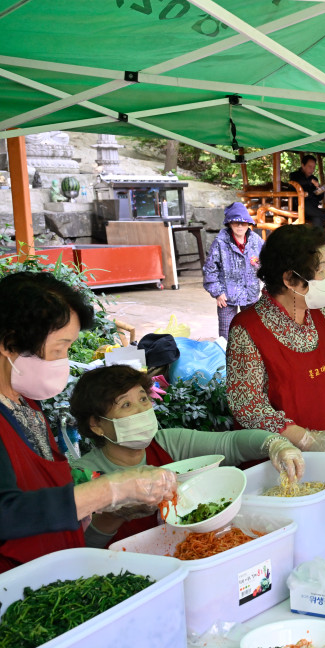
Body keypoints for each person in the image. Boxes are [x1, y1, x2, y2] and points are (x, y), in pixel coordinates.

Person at [0, 272, 177, 572]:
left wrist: (108, 508)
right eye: (59, 349)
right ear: (10, 343)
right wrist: (112, 489)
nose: (64, 360)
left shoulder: (25, 402)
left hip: (57, 571)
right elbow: (8, 514)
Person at [69, 365, 304, 546]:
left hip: (187, 554)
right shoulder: (81, 475)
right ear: (96, 425)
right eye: (126, 405)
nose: (142, 409)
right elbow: (78, 549)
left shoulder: (167, 442)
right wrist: (113, 516)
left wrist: (275, 444)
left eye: (142, 399)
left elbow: (231, 443)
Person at [226, 224, 325, 450]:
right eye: (321, 270)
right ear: (290, 279)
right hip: (279, 459)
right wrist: (308, 440)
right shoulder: (247, 329)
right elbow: (248, 406)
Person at [203, 202, 264, 339]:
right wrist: (217, 292)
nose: (240, 226)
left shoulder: (257, 241)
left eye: (243, 223)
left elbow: (267, 263)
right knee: (226, 333)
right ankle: (227, 352)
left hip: (251, 294)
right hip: (226, 296)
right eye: (236, 223)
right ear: (230, 223)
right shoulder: (220, 242)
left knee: (253, 332)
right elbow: (210, 269)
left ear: (248, 223)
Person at [288, 154, 325, 228]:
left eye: (313, 167)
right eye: (310, 167)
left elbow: (319, 198)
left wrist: (320, 192)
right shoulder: (294, 175)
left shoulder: (314, 178)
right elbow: (297, 182)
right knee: (310, 208)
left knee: (317, 219)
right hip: (298, 206)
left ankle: (317, 235)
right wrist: (311, 181)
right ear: (303, 165)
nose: (312, 169)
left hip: (312, 208)